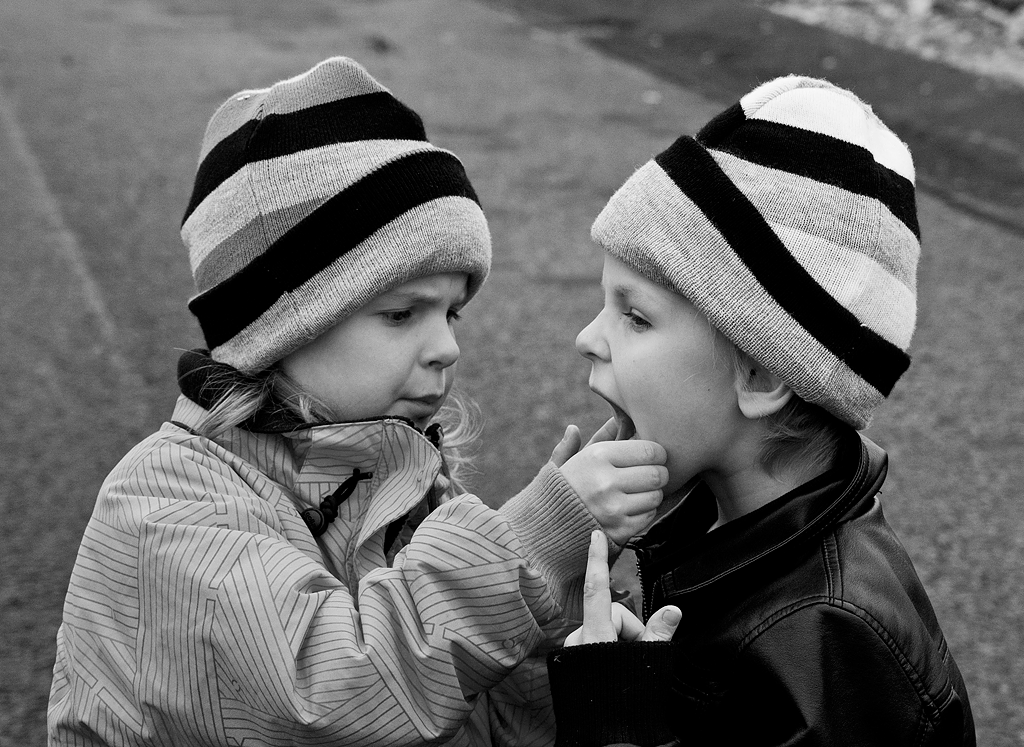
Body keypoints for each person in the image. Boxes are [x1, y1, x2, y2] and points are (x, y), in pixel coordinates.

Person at [47, 56, 670, 747]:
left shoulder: (403, 485)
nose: (447, 347)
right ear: (280, 328)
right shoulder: (164, 504)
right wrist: (529, 542)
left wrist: (563, 628)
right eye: (402, 314)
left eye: (452, 313)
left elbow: (472, 714)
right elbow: (335, 695)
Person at [543, 75, 976, 746]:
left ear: (762, 373)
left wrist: (616, 718)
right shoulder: (723, 529)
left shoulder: (828, 642)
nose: (587, 337)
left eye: (635, 315)